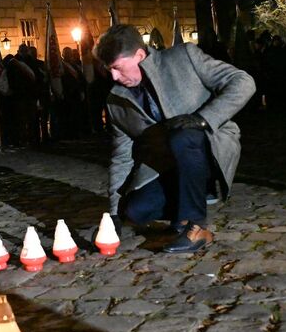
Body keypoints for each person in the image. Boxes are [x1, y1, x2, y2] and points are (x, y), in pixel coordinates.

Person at [94, 24, 255, 254]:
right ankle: (184, 207)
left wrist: (203, 119)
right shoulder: (117, 101)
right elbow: (121, 157)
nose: (114, 76)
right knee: (134, 210)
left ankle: (196, 227)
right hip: (169, 166)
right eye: (109, 69)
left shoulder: (184, 57)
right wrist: (113, 214)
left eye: (118, 68)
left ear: (139, 55)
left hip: (208, 147)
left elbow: (243, 82)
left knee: (183, 136)